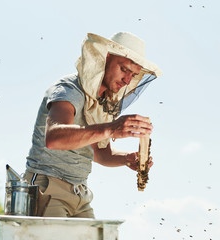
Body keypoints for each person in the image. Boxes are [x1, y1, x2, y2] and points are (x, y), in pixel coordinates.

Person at [24, 32, 162, 218]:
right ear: (105, 58)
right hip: (46, 187)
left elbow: (99, 153)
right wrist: (111, 128)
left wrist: (126, 159)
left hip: (80, 194)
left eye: (133, 75)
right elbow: (54, 138)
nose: (128, 80)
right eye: (124, 69)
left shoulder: (102, 103)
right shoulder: (70, 89)